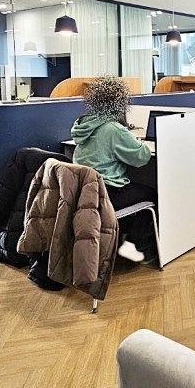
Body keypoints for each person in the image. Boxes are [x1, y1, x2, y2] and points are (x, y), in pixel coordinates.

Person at [71, 76, 157, 264]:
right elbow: (141, 157)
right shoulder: (113, 129)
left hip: (83, 193)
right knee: (151, 193)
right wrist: (135, 140)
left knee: (135, 190)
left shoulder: (83, 124)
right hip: (107, 193)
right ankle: (138, 246)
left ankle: (121, 240)